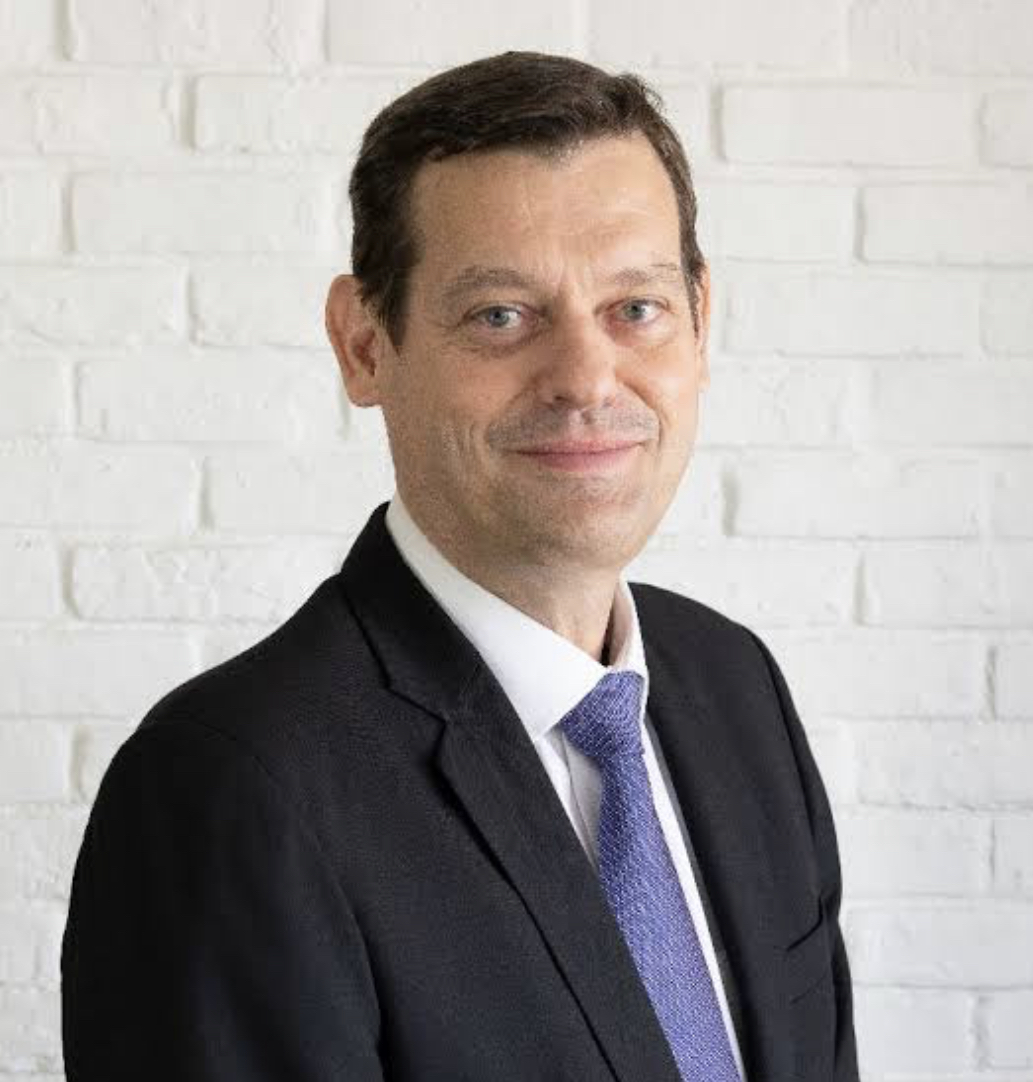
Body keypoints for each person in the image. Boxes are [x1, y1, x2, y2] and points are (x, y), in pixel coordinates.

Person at [60, 50, 859, 1082]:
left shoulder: (734, 686)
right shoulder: (233, 792)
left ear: (699, 322)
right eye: (500, 316)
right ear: (363, 345)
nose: (585, 378)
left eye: (635, 308)